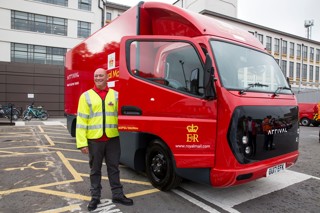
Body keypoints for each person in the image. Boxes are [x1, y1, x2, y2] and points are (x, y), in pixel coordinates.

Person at [76, 68, 133, 211]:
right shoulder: (86, 96)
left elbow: (123, 116)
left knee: (114, 168)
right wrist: (82, 143)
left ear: (107, 78)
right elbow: (81, 121)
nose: (98, 78)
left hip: (112, 139)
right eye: (96, 76)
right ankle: (95, 197)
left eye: (101, 75)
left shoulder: (115, 95)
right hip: (94, 140)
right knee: (95, 170)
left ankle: (118, 195)